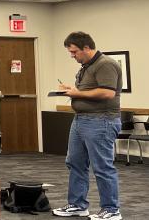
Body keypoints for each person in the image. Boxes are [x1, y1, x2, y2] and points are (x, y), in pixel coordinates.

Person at [52, 32, 123, 220]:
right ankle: (77, 205)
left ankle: (111, 209)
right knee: (75, 163)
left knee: (102, 167)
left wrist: (78, 93)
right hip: (81, 120)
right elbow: (88, 90)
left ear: (86, 48)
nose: (72, 55)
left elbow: (108, 93)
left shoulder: (105, 64)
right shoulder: (86, 66)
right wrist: (72, 90)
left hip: (101, 121)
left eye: (74, 52)